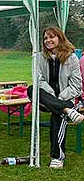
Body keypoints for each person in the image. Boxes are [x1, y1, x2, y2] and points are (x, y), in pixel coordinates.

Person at [27, 26, 84, 169]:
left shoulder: (72, 58)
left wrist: (60, 100)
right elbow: (38, 80)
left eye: (52, 37)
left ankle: (57, 157)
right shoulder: (39, 57)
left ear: (60, 38)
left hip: (68, 99)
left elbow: (77, 86)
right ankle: (66, 110)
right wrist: (54, 99)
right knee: (31, 89)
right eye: (45, 38)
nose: (48, 40)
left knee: (58, 115)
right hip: (48, 99)